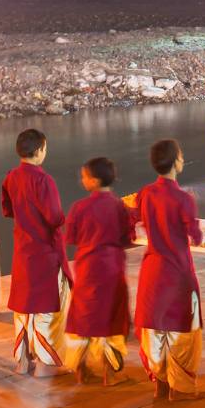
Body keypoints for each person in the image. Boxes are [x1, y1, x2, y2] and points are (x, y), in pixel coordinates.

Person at [134, 139, 204, 401]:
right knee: (182, 331)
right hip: (178, 272)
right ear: (176, 162)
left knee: (156, 328)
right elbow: (195, 236)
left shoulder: (145, 193)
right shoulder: (183, 198)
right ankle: (181, 388)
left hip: (152, 269)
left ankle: (160, 382)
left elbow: (135, 217)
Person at [1, 128, 69, 376]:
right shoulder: (43, 180)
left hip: (22, 249)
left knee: (23, 306)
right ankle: (44, 364)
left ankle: (22, 361)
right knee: (45, 306)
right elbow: (54, 217)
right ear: (40, 150)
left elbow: (7, 210)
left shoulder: (11, 177)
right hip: (44, 250)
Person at [63, 157, 133, 385]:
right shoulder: (119, 206)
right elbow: (127, 237)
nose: (81, 180)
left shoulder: (79, 208)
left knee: (83, 317)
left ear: (93, 181)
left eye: (84, 176)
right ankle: (109, 373)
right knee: (112, 317)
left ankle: (81, 368)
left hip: (86, 268)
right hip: (112, 267)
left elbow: (71, 237)